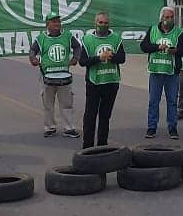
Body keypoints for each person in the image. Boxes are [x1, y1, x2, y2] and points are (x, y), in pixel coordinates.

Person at [78, 11, 126, 149]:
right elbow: (83, 61)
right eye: (100, 22)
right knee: (90, 116)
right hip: (94, 82)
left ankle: (102, 145)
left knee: (105, 116)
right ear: (95, 23)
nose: (103, 25)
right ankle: (87, 147)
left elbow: (122, 58)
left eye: (105, 23)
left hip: (111, 82)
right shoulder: (87, 40)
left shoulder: (116, 38)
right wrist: (99, 58)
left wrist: (111, 56)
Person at [29, 13, 81, 139]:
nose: (57, 24)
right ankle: (50, 127)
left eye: (58, 21)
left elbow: (77, 46)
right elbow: (32, 51)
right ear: (47, 24)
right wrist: (33, 59)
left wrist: (76, 57)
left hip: (64, 76)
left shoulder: (67, 36)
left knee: (67, 104)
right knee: (48, 104)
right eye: (54, 22)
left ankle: (69, 128)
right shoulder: (41, 38)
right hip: (47, 76)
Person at [140, 7, 183, 139]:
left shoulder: (179, 32)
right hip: (156, 71)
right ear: (161, 18)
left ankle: (172, 128)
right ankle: (151, 128)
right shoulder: (153, 30)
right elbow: (143, 47)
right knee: (153, 101)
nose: (169, 20)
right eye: (167, 17)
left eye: (171, 17)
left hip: (171, 72)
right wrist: (157, 47)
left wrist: (176, 51)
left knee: (172, 101)